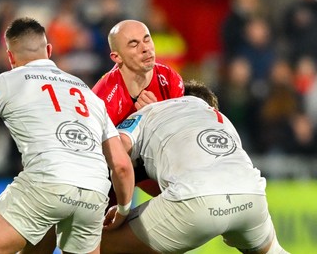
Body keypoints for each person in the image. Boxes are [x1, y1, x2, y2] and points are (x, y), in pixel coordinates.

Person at [0, 17, 134, 254]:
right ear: (49, 51)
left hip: (46, 184)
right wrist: (124, 209)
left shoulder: (8, 80)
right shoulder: (87, 92)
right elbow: (120, 164)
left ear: (10, 57)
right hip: (94, 193)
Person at [101, 80, 288, 254]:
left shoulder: (151, 111)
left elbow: (116, 149)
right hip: (251, 194)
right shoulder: (222, 120)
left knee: (91, 243)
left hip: (196, 198)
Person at [92, 19, 185, 200]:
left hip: (161, 167)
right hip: (112, 177)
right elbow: (98, 159)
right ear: (116, 57)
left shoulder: (170, 79)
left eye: (147, 39)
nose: (145, 48)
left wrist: (156, 114)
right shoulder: (102, 98)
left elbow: (179, 139)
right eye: (133, 44)